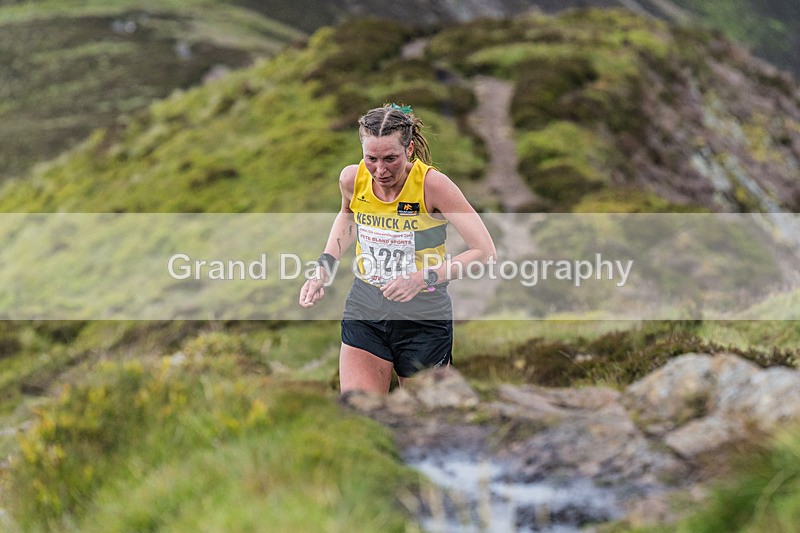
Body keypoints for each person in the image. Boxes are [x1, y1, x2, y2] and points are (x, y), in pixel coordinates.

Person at [299, 103, 496, 394]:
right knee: (359, 410)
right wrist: (322, 271)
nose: (380, 170)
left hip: (423, 316)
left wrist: (420, 278)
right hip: (366, 306)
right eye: (371, 158)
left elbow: (484, 251)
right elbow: (347, 217)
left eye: (390, 158)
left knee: (425, 417)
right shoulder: (352, 179)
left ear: (410, 150)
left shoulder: (433, 186)